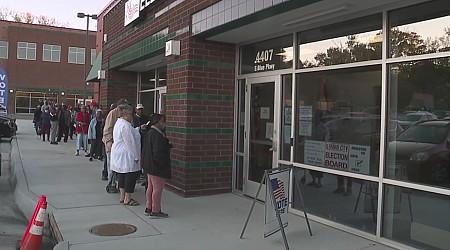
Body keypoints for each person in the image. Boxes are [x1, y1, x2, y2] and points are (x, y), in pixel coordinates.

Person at [141, 113, 172, 218]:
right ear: (157, 122)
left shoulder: (150, 133)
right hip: (156, 167)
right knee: (157, 189)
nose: (164, 123)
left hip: (149, 165)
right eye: (163, 121)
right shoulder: (157, 135)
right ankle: (155, 210)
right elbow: (158, 153)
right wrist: (162, 165)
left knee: (151, 187)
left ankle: (148, 207)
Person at [110, 104, 141, 206]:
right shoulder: (125, 125)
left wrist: (138, 129)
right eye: (131, 114)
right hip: (126, 154)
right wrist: (136, 156)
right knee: (130, 176)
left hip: (119, 153)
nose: (132, 116)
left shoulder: (119, 123)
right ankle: (127, 198)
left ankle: (122, 196)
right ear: (126, 114)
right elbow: (130, 142)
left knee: (122, 175)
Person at [103, 99, 129, 193]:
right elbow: (107, 129)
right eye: (124, 107)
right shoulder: (112, 114)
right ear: (119, 107)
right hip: (112, 143)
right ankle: (112, 184)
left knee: (120, 164)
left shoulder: (126, 114)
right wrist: (109, 142)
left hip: (121, 144)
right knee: (112, 165)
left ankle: (122, 184)